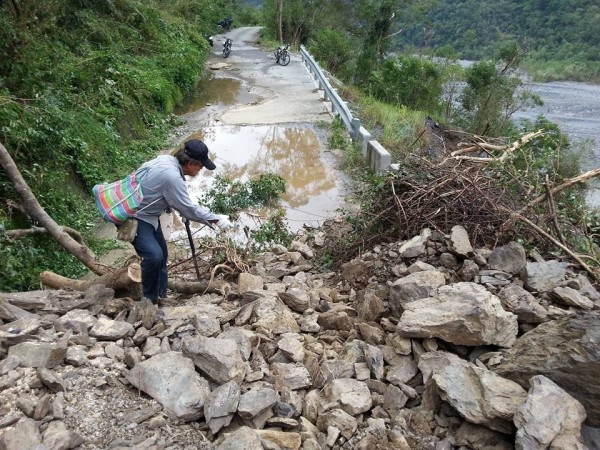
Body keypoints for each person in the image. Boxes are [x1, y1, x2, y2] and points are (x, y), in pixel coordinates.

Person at [131, 139, 232, 304]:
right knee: (154, 256)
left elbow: (156, 189)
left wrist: (174, 204)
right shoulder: (172, 177)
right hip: (136, 216)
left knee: (162, 254)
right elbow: (188, 209)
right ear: (191, 163)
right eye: (200, 166)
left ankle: (161, 296)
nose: (200, 170)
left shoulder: (166, 160)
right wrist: (215, 219)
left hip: (149, 215)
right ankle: (148, 302)